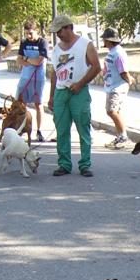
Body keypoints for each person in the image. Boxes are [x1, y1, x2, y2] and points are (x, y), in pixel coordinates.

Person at [47, 14, 101, 177]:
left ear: (69, 27)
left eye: (60, 31)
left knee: (83, 127)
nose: (58, 35)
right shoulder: (56, 49)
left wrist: (81, 83)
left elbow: (96, 67)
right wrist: (51, 96)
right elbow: (54, 73)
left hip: (79, 91)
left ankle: (85, 164)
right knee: (61, 129)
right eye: (56, 32)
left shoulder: (85, 45)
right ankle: (64, 163)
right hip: (61, 92)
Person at [101, 27, 134, 149]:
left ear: (109, 40)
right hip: (111, 86)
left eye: (105, 39)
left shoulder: (118, 53)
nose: (103, 41)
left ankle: (123, 137)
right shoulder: (113, 52)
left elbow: (123, 71)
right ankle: (120, 135)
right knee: (115, 111)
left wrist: (129, 79)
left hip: (117, 87)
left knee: (111, 111)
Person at [15, 19, 48, 143]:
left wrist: (27, 58)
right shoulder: (24, 43)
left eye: (30, 33)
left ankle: (39, 131)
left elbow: (39, 61)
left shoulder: (42, 42)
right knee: (20, 102)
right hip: (25, 77)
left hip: (38, 78)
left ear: (36, 31)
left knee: (38, 104)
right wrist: (29, 60)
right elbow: (18, 60)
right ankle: (20, 129)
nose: (28, 36)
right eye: (26, 33)